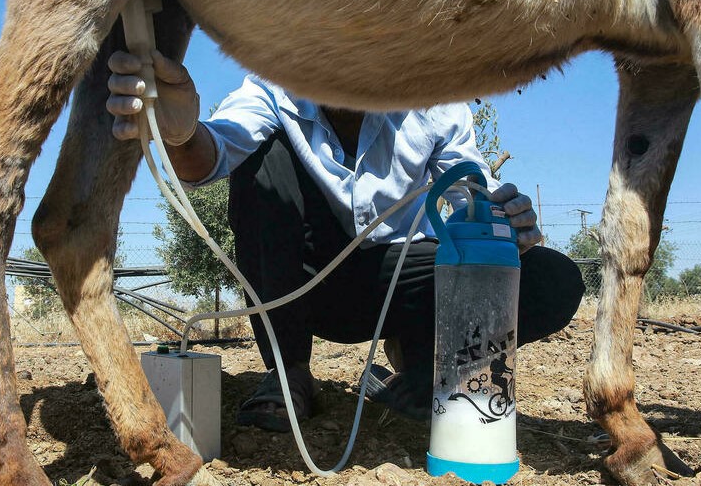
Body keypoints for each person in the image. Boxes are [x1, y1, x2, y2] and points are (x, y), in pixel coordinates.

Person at [107, 51, 585, 432]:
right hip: (307, 288)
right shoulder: (274, 86)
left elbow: (468, 197)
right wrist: (181, 132)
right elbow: (208, 156)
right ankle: (289, 374)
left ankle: (432, 376)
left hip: (405, 285)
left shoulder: (437, 102)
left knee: (552, 279)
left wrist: (501, 229)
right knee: (260, 158)